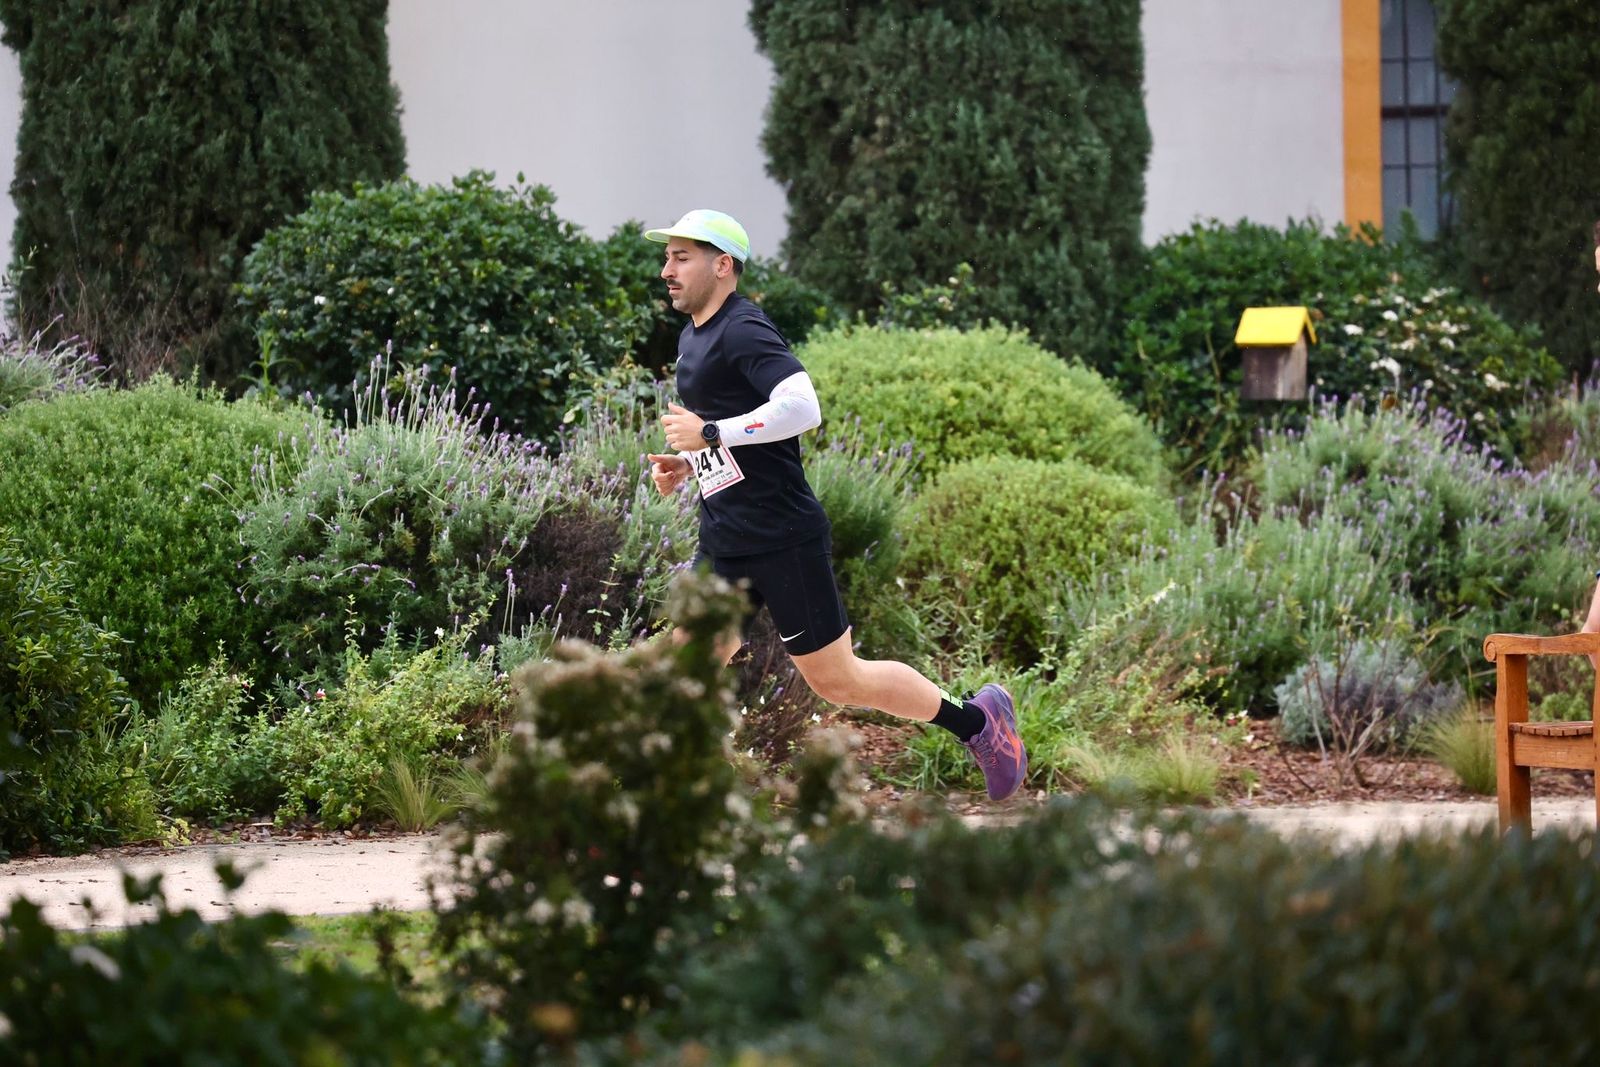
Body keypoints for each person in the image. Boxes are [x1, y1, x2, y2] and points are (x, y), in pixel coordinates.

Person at [641, 209, 1027, 801]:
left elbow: (803, 407)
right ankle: (690, 797)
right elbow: (747, 436)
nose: (667, 270)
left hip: (783, 541)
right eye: (667, 257)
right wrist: (690, 462)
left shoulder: (744, 329)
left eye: (681, 257)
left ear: (722, 266)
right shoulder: (693, 335)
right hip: (725, 538)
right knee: (688, 665)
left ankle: (979, 722)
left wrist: (710, 433)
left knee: (839, 681)